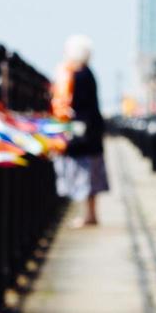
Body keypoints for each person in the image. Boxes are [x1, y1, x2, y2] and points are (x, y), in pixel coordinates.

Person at [51, 34, 108, 226]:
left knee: (84, 175)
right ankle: (91, 215)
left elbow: (75, 104)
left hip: (82, 134)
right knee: (90, 176)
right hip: (91, 133)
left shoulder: (78, 75)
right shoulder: (88, 73)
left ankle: (88, 216)